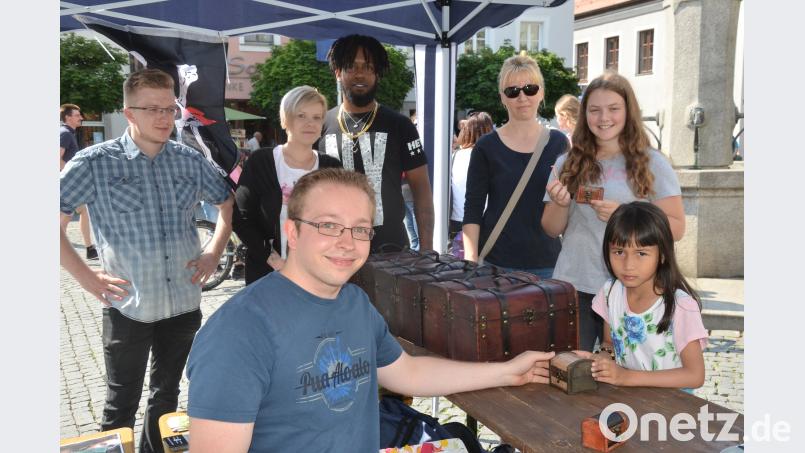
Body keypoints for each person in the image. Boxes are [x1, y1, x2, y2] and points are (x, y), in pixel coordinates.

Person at [186, 168, 555, 452]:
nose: (347, 243)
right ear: (293, 233)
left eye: (360, 229)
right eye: (328, 225)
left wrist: (508, 372)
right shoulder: (239, 330)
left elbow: (407, 373)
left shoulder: (354, 303)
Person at [60, 68, 234, 453]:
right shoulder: (93, 162)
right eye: (151, 109)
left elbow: (226, 202)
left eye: (169, 109)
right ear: (129, 113)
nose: (163, 118)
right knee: (120, 405)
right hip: (129, 307)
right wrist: (88, 279)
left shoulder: (188, 160)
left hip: (183, 306)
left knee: (167, 399)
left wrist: (214, 251)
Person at [542, 70, 685, 352]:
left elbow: (677, 227)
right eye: (594, 110)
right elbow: (550, 228)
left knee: (626, 377)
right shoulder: (566, 163)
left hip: (631, 289)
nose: (603, 117)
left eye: (613, 109)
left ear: (628, 111)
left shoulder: (653, 163)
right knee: (572, 371)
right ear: (584, 115)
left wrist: (629, 215)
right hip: (575, 285)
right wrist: (560, 203)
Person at [318, 34, 434, 251]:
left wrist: (426, 250)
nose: (360, 73)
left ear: (378, 74)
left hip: (390, 251)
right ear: (337, 72)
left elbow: (422, 193)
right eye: (351, 67)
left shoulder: (400, 126)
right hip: (333, 249)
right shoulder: (321, 125)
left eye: (369, 67)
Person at [575, 202, 706, 389]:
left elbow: (695, 376)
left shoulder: (681, 306)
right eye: (619, 252)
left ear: (662, 255)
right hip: (627, 399)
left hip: (673, 407)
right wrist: (602, 358)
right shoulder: (610, 293)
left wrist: (626, 377)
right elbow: (608, 342)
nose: (628, 265)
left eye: (641, 253)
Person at [462, 55, 566, 278]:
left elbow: (569, 205)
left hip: (547, 264)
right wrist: (470, 265)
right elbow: (473, 208)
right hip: (496, 264)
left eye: (530, 88)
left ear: (541, 93)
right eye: (512, 91)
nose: (522, 97)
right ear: (503, 98)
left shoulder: (558, 143)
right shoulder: (486, 146)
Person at [234, 86, 341, 284]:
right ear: (285, 120)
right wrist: (276, 262)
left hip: (319, 276)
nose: (310, 123)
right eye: (301, 115)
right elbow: (241, 217)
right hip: (268, 274)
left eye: (317, 117)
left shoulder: (332, 168)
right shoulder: (261, 162)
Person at [60, 103, 97, 259]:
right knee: (76, 213)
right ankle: (89, 248)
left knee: (68, 215)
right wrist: (70, 175)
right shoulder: (65, 133)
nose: (81, 117)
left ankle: (89, 248)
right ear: (68, 117)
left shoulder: (68, 132)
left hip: (69, 182)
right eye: (77, 115)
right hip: (68, 182)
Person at [450, 111, 493, 239]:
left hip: (457, 219)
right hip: (485, 220)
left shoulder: (455, 156)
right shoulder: (492, 156)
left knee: (460, 258)